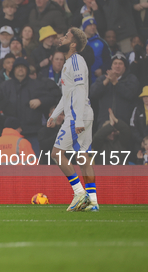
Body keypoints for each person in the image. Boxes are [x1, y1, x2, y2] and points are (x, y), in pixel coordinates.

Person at [47, 27, 98, 212]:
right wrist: (54, 115)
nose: (61, 39)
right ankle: (92, 202)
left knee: (56, 153)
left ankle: (79, 193)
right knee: (83, 157)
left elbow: (78, 90)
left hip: (78, 115)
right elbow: (67, 95)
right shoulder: (70, 62)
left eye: (66, 36)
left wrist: (77, 120)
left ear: (73, 44)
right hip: (82, 113)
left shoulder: (75, 61)